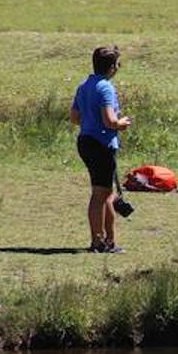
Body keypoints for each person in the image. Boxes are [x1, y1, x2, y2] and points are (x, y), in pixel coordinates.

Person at [70, 46, 130, 253]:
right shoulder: (105, 87)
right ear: (111, 67)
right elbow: (109, 120)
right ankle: (98, 241)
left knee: (105, 193)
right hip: (101, 144)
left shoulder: (83, 85)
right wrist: (120, 123)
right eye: (118, 64)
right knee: (100, 194)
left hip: (85, 141)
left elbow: (75, 118)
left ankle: (108, 240)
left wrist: (91, 120)